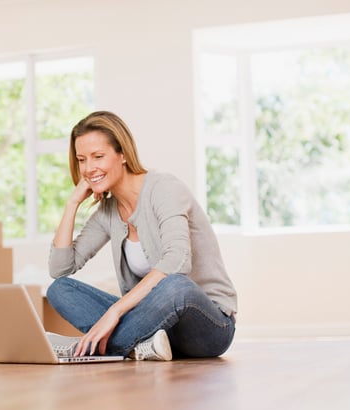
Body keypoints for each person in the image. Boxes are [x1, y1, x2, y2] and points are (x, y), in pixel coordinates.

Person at [46, 110, 237, 361]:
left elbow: (177, 262)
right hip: (156, 329)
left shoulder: (164, 188)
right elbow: (60, 268)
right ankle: (138, 347)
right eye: (82, 160)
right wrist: (72, 204)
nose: (89, 168)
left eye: (98, 156)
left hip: (209, 326)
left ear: (122, 154)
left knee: (175, 285)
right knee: (60, 289)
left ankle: (92, 347)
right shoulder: (108, 212)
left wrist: (114, 312)